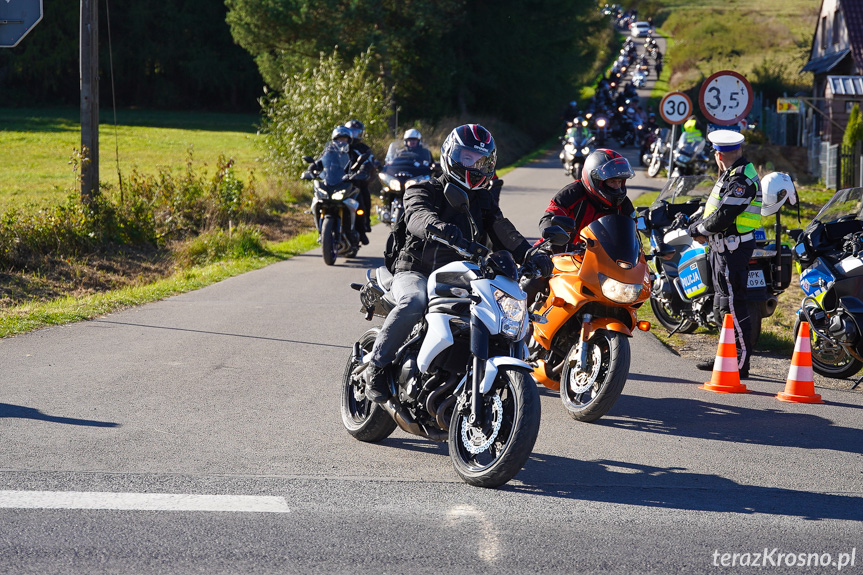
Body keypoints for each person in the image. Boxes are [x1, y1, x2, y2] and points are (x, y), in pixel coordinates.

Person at [363, 124, 554, 403]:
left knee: (498, 310)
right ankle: (377, 367)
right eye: (468, 158)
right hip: (416, 269)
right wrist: (438, 226)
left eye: (483, 161)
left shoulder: (483, 199)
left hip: (460, 274)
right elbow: (417, 216)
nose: (476, 166)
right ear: (450, 155)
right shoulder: (422, 189)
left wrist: (530, 254)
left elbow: (503, 230)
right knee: (415, 301)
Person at [687, 130, 763, 379]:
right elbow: (716, 208)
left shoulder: (741, 180)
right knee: (722, 304)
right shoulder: (732, 175)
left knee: (734, 304)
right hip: (722, 247)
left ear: (719, 154)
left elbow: (724, 215)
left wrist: (699, 230)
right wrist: (697, 221)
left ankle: (741, 363)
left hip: (733, 248)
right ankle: (726, 355)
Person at [345, 119, 375, 244]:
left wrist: (363, 171)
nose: (354, 135)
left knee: (362, 201)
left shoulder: (363, 148)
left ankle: (363, 228)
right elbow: (327, 160)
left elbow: (369, 163)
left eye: (357, 132)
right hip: (339, 182)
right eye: (352, 131)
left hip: (357, 183)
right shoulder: (339, 147)